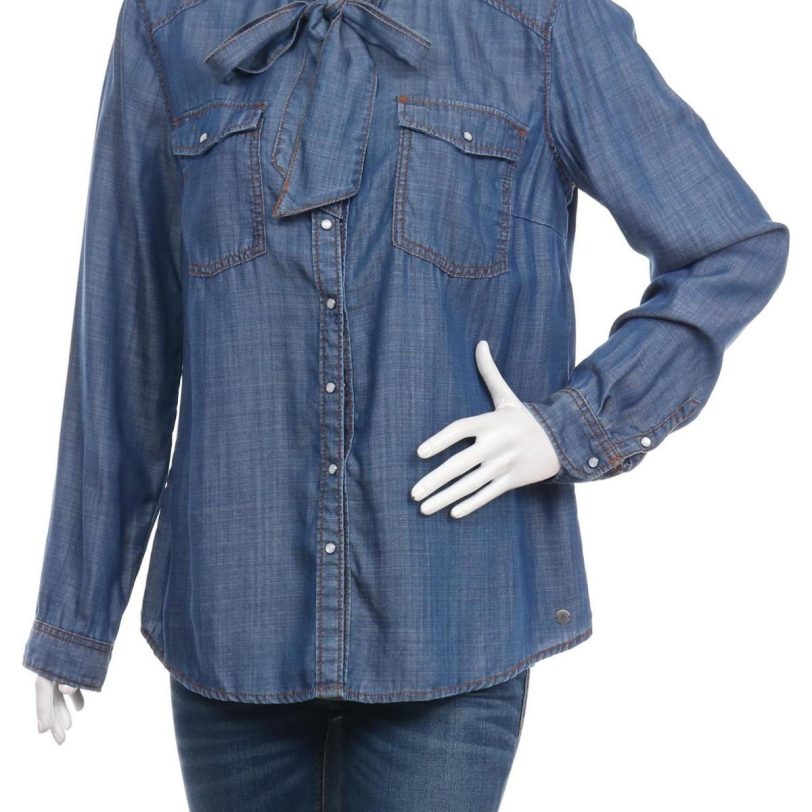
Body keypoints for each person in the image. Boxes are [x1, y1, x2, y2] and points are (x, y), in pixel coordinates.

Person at [24, 0, 789, 809]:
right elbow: (124, 328)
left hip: (450, 611)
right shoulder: (170, 20)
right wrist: (75, 618)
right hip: (234, 616)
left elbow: (728, 248)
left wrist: (571, 426)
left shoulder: (538, 20)